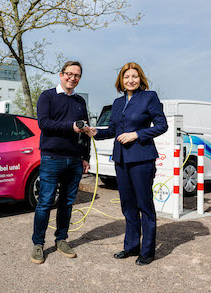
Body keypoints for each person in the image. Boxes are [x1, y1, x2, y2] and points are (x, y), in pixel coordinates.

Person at [87, 62, 168, 265]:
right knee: (128, 206)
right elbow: (113, 130)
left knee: (144, 205)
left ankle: (148, 251)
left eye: (134, 76)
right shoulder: (116, 102)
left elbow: (162, 125)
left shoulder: (149, 97)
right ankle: (131, 246)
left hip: (142, 159)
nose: (130, 80)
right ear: (121, 81)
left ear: (140, 78)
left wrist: (136, 134)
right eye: (126, 77)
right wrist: (96, 132)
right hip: (121, 160)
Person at [31, 61, 91, 264]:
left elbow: (85, 132)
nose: (72, 78)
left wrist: (85, 157)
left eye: (77, 75)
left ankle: (61, 239)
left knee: (67, 202)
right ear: (61, 75)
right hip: (52, 157)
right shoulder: (47, 96)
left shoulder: (80, 101)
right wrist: (71, 126)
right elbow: (44, 123)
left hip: (74, 160)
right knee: (46, 201)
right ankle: (38, 244)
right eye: (69, 74)